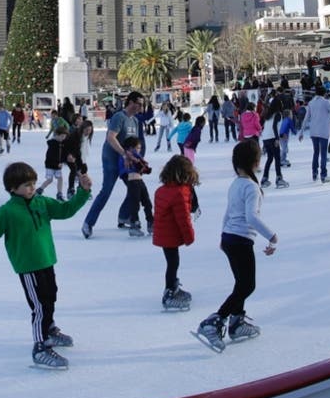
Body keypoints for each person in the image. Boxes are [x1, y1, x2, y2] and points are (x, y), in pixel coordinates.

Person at [0, 162, 93, 370]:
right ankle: (40, 347)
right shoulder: (7, 212)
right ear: (12, 188)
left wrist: (83, 191)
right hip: (28, 266)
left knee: (51, 296)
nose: (32, 188)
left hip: (46, 260)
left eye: (33, 183)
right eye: (26, 185)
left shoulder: (42, 203)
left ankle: (50, 330)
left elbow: (66, 210)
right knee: (40, 306)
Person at [194, 140, 277, 352]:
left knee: (241, 283)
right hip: (240, 240)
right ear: (255, 162)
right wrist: (271, 236)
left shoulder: (237, 184)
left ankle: (237, 323)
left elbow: (228, 212)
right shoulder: (251, 186)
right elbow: (251, 217)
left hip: (231, 238)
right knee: (247, 285)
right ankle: (214, 321)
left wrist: (223, 235)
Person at [81, 90, 144, 239]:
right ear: (130, 102)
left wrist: (137, 158)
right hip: (111, 159)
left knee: (136, 189)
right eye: (138, 104)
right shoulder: (119, 117)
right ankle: (88, 223)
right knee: (106, 191)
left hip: (126, 160)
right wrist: (123, 153)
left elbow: (135, 143)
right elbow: (111, 138)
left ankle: (124, 216)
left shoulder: (135, 121)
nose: (140, 107)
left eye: (142, 105)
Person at [153, 155, 198, 311]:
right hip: (170, 235)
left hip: (164, 234)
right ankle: (170, 292)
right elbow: (183, 218)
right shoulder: (180, 192)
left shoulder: (161, 190)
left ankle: (173, 287)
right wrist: (189, 237)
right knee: (173, 263)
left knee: (172, 262)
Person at [118, 136, 154, 237]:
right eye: (138, 148)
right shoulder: (125, 156)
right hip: (132, 181)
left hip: (139, 180)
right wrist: (134, 166)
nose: (139, 150)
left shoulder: (137, 157)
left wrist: (144, 169)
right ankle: (134, 224)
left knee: (147, 201)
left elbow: (143, 166)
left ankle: (151, 222)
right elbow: (123, 170)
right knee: (135, 203)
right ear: (130, 148)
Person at [299, 84, 330, 183]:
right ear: (324, 93)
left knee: (316, 152)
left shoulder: (311, 103)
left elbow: (306, 118)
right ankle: (323, 175)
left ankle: (314, 173)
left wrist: (301, 132)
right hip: (323, 131)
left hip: (314, 132)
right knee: (323, 153)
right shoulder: (326, 102)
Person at [38, 125, 72, 201]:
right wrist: (57, 163)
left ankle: (59, 193)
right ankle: (40, 189)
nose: (63, 138)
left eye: (64, 136)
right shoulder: (52, 144)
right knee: (50, 180)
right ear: (56, 135)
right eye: (62, 136)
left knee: (60, 178)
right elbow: (50, 156)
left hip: (58, 166)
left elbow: (63, 154)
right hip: (50, 165)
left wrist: (64, 161)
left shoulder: (61, 143)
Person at [260, 99, 288, 189]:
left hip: (265, 138)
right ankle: (279, 178)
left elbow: (269, 127)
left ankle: (264, 178)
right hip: (272, 138)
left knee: (270, 158)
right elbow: (274, 126)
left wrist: (280, 135)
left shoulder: (269, 115)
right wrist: (277, 138)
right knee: (277, 158)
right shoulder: (278, 114)